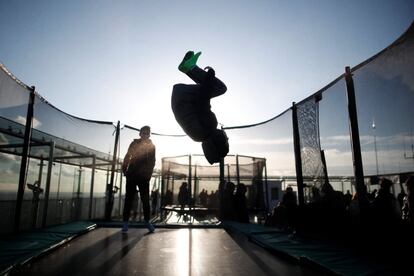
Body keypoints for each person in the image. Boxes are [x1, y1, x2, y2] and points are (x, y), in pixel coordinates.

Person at [171, 51, 229, 164]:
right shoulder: (198, 137)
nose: (227, 138)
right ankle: (187, 68)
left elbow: (203, 98)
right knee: (209, 85)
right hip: (180, 100)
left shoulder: (209, 127)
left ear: (218, 141)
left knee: (220, 87)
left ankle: (190, 67)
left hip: (184, 97)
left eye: (226, 140)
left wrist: (210, 75)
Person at [121, 125, 156, 233]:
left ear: (149, 134)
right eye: (143, 133)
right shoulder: (134, 143)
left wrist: (148, 176)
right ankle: (125, 223)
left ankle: (147, 221)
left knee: (145, 201)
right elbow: (128, 156)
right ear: (140, 134)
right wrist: (125, 169)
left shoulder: (152, 146)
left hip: (143, 177)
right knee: (128, 200)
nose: (145, 135)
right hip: (132, 175)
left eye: (147, 133)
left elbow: (152, 162)